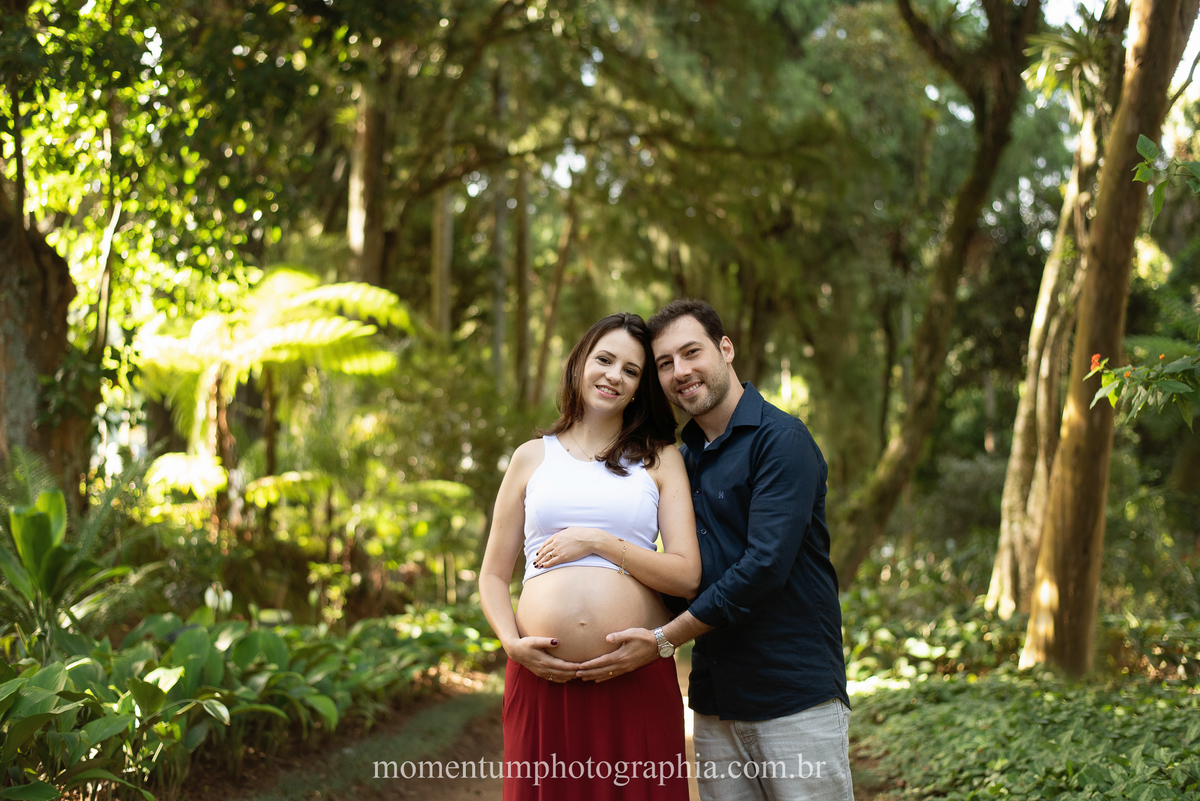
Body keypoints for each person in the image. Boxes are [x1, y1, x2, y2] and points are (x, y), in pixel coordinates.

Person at [576, 299, 854, 801]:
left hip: (793, 697)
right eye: (665, 364)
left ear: (725, 349)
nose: (681, 372)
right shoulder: (682, 461)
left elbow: (763, 567)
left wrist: (663, 640)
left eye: (691, 353)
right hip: (715, 701)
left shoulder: (781, 440)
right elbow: (684, 574)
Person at [479, 312, 701, 801]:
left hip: (634, 674)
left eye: (631, 370)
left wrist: (598, 541)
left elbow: (687, 575)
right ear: (579, 363)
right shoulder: (530, 457)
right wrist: (511, 645)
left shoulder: (660, 458)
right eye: (605, 359)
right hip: (541, 677)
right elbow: (494, 576)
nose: (613, 376)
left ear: (640, 387)